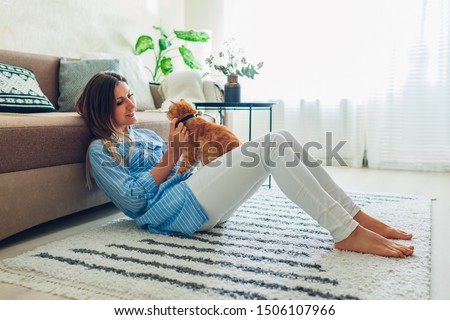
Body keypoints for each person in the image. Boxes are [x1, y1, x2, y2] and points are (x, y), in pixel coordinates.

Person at [76, 71, 414, 258]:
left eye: (130, 95)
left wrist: (191, 153)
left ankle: (355, 217)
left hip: (194, 197)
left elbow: (178, 168)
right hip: (173, 214)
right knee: (271, 146)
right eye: (119, 101)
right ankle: (347, 233)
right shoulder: (99, 151)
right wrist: (172, 157)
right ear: (100, 109)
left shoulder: (145, 136)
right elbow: (135, 202)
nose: (131, 104)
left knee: (280, 137)